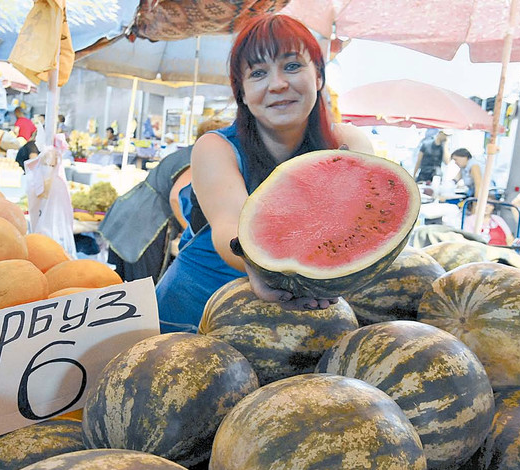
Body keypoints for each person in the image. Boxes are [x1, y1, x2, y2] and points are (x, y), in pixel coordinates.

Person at [154, 14, 373, 333]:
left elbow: (364, 228)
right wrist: (258, 268)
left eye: (293, 66)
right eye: (258, 73)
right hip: (195, 313)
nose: (278, 84)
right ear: (241, 92)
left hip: (293, 323)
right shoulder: (216, 148)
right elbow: (231, 222)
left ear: (319, 76)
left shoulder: (348, 146)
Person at [100, 119, 230, 283]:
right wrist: (190, 230)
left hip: (130, 213)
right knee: (144, 290)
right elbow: (176, 198)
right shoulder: (198, 158)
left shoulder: (187, 152)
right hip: (147, 222)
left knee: (124, 287)